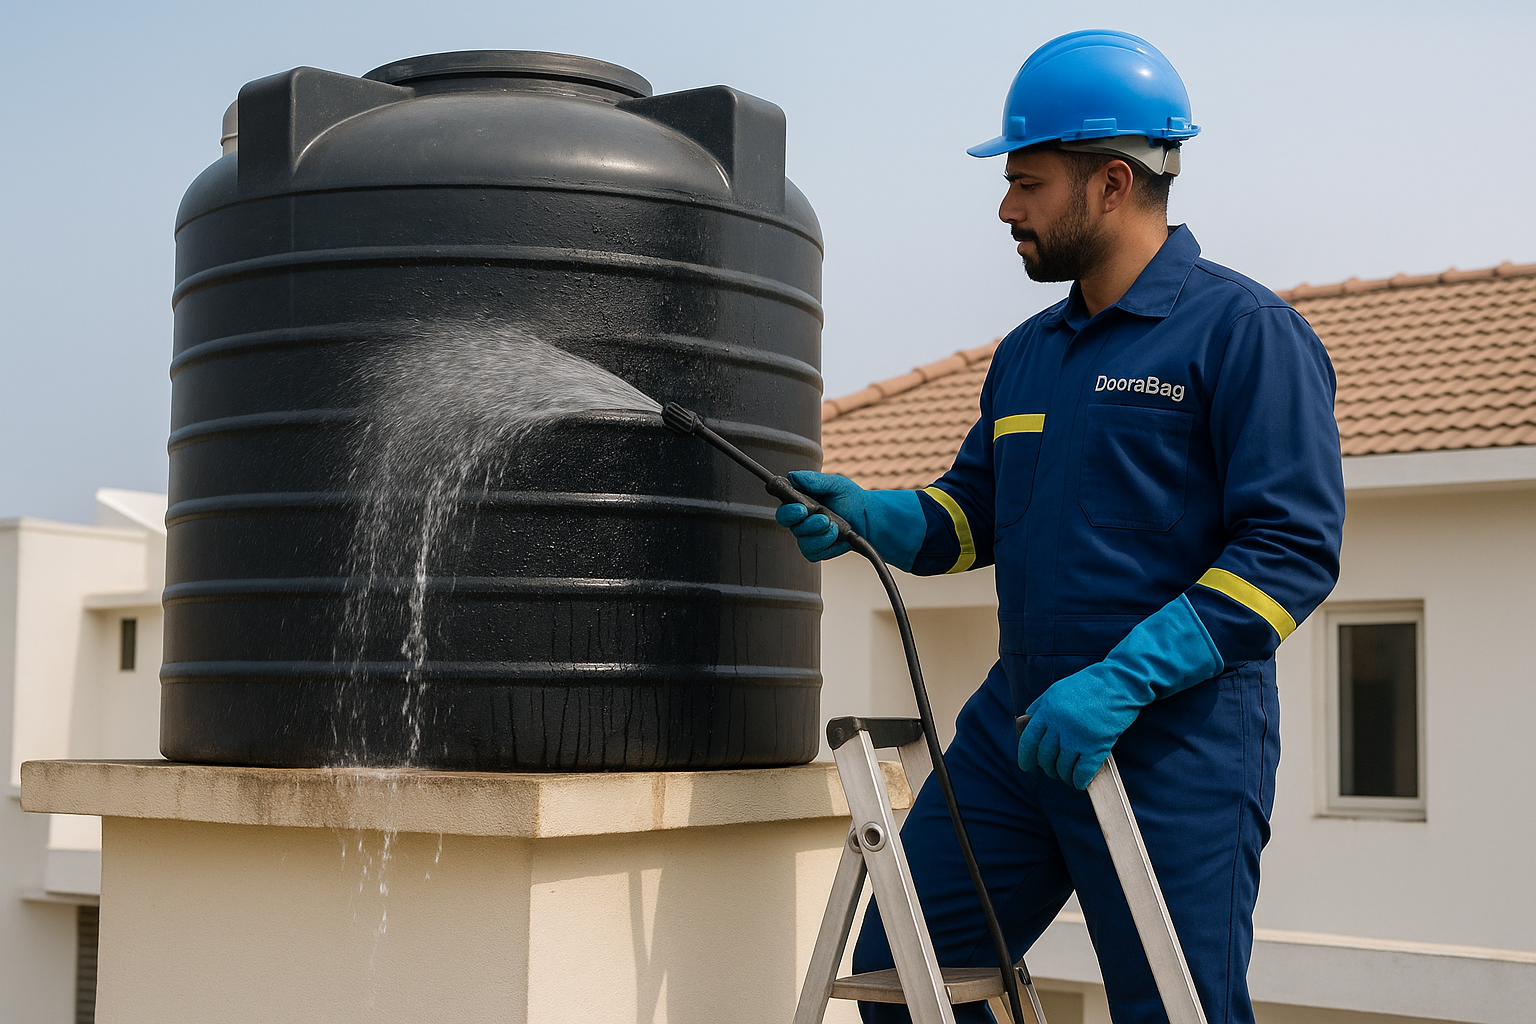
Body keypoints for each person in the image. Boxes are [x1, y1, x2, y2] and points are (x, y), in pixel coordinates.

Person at [777, 29, 1346, 1024]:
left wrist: (1122, 680)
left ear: (1112, 183)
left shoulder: (1244, 335)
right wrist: (872, 516)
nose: (1006, 208)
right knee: (900, 975)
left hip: (1176, 744)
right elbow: (972, 517)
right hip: (1020, 729)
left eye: (1027, 183)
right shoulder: (1029, 355)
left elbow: (1290, 551)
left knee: (1174, 1010)